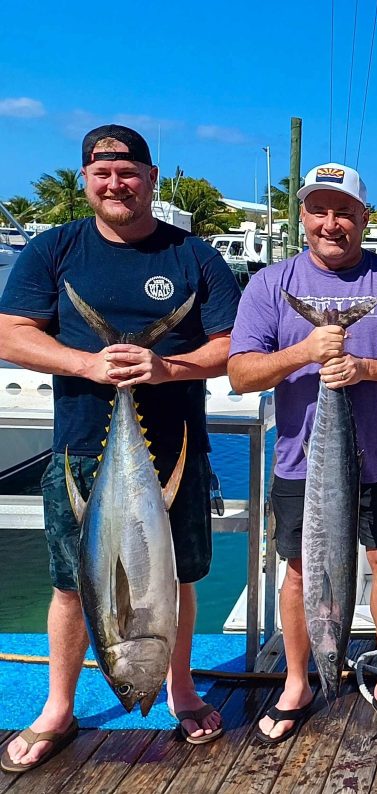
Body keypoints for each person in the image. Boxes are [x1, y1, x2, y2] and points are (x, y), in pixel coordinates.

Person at [0, 124, 241, 772]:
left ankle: (181, 689)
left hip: (178, 451)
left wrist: (166, 368)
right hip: (81, 453)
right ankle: (58, 708)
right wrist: (87, 363)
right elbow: (9, 333)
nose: (115, 184)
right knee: (70, 585)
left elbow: (230, 347)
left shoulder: (194, 256)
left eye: (128, 172)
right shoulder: (55, 249)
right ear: (86, 178)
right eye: (102, 173)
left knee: (179, 578)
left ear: (151, 177)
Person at [228, 162, 377, 743]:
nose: (331, 223)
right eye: (319, 211)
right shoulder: (269, 284)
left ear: (364, 218)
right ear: (302, 217)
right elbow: (241, 374)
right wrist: (305, 351)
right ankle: (297, 682)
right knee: (300, 571)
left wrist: (365, 368)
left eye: (344, 212)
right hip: (304, 465)